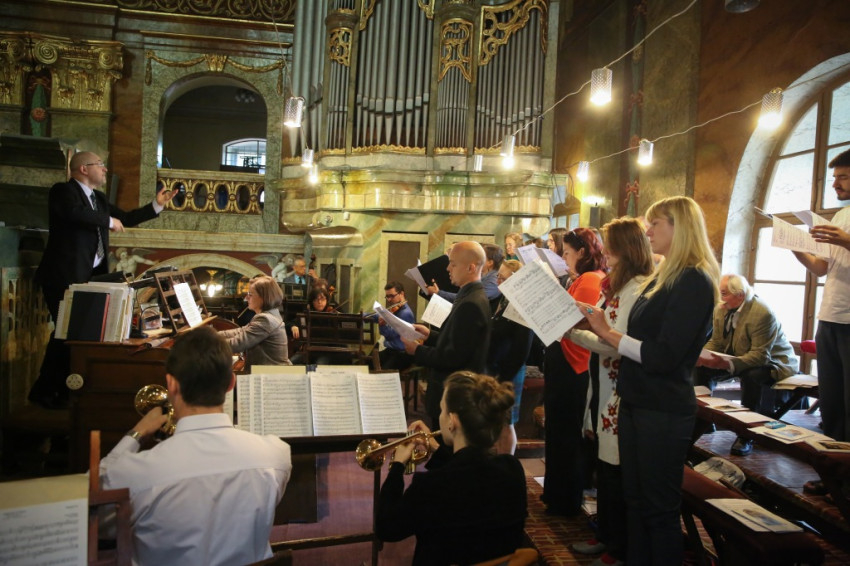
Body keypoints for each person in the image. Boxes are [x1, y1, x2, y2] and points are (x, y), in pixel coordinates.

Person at [579, 196, 720, 566]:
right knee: (637, 501)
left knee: (658, 508)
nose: (648, 231)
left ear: (680, 226)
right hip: (638, 399)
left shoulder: (693, 280)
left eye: (655, 223)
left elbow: (664, 356)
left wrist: (607, 333)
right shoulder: (664, 275)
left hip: (662, 407)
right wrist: (598, 323)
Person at [99, 326, 292, 566]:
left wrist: (136, 434)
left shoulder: (134, 474)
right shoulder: (276, 455)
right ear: (231, 383)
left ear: (171, 384)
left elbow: (90, 514)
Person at [29, 151, 175, 409]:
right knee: (66, 332)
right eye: (100, 165)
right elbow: (74, 214)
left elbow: (125, 218)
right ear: (84, 169)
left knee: (76, 333)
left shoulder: (98, 198)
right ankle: (45, 391)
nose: (105, 169)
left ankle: (60, 390)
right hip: (63, 275)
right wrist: (108, 221)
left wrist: (156, 205)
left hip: (89, 277)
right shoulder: (63, 191)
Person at [565, 218, 654, 566]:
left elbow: (614, 342)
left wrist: (572, 332)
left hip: (619, 385)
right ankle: (606, 534)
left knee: (616, 471)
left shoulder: (639, 288)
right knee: (605, 466)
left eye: (611, 244)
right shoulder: (616, 284)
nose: (606, 251)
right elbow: (601, 323)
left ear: (626, 247)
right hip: (602, 382)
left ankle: (618, 546)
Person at [375, 371, 527, 565]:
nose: (440, 416)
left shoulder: (430, 486)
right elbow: (470, 475)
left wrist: (397, 466)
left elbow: (386, 528)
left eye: (442, 410)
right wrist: (438, 450)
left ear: (452, 421)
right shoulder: (512, 469)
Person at [792, 149, 850, 486]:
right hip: (830, 316)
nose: (836, 184)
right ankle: (833, 478)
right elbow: (821, 268)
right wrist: (797, 249)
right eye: (835, 177)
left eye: (843, 177)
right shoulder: (841, 216)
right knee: (832, 402)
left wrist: (847, 241)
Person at [695, 273, 798, 456]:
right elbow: (716, 342)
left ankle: (746, 434)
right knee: (701, 368)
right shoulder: (722, 308)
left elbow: (760, 356)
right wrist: (703, 356)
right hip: (739, 356)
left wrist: (728, 364)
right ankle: (704, 421)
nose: (721, 298)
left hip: (773, 362)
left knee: (753, 376)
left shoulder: (762, 313)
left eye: (724, 293)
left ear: (740, 295)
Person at [542, 227, 606, 517]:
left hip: (572, 364)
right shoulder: (582, 277)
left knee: (566, 435)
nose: (564, 258)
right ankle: (557, 494)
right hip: (564, 361)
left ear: (582, 252)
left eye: (567, 252)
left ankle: (564, 499)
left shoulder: (591, 279)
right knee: (559, 432)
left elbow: (574, 320)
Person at [402, 241, 492, 428]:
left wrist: (417, 350)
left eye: (453, 264)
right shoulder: (468, 295)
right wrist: (429, 335)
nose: (448, 268)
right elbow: (457, 340)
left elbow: (453, 357)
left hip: (455, 395)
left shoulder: (471, 303)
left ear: (471, 268)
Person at [487, 259, 533, 454]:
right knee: (498, 419)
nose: (498, 281)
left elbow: (522, 348)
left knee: (507, 422)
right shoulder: (504, 299)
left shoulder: (522, 304)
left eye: (503, 278)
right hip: (498, 367)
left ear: (515, 279)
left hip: (510, 370)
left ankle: (506, 460)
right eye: (498, 276)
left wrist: (504, 376)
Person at [218, 275, 291, 370]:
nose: (246, 298)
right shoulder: (270, 314)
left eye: (250, 294)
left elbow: (237, 344)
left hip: (271, 375)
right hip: (272, 371)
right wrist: (213, 335)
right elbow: (241, 331)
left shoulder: (266, 319)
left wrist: (207, 343)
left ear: (263, 297)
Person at [425, 243, 503, 310]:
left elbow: (471, 298)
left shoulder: (494, 280)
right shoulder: (486, 276)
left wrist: (439, 293)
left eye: (454, 265)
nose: (448, 268)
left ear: (490, 262)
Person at [372, 281, 416, 371]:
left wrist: (382, 325)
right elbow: (378, 316)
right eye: (387, 296)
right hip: (391, 351)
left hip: (401, 354)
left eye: (392, 296)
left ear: (401, 294)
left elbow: (390, 335)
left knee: (382, 373)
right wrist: (362, 316)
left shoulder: (405, 314)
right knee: (367, 363)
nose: (389, 300)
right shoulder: (396, 309)